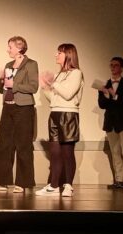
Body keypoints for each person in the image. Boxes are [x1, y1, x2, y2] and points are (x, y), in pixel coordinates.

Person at [0, 36, 38, 193]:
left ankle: (22, 183)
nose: (8, 49)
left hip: (23, 108)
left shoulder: (31, 64)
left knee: (23, 145)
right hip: (8, 107)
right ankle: (1, 181)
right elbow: (2, 89)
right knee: (3, 145)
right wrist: (2, 80)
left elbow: (33, 87)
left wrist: (13, 85)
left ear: (19, 48)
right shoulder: (8, 64)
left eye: (10, 47)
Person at [35, 43, 84, 197]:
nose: (56, 55)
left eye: (59, 53)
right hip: (55, 113)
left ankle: (68, 185)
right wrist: (45, 88)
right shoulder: (58, 75)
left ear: (68, 55)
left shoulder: (76, 73)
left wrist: (52, 83)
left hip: (68, 115)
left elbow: (68, 94)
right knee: (55, 152)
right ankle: (54, 186)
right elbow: (54, 99)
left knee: (67, 152)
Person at [98, 57, 123, 189]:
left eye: (116, 65)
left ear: (121, 68)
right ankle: (119, 180)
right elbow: (102, 105)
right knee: (115, 152)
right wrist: (106, 95)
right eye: (111, 65)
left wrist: (114, 95)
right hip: (111, 122)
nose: (113, 68)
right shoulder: (105, 84)